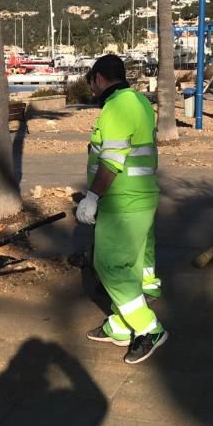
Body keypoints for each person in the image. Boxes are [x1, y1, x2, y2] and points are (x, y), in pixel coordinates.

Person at [76, 54, 167, 364]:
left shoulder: (115, 107)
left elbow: (112, 161)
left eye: (91, 84)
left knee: (110, 266)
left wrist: (92, 198)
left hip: (122, 202)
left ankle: (148, 328)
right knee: (128, 266)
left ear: (99, 78)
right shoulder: (139, 101)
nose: (91, 92)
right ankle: (119, 325)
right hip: (141, 198)